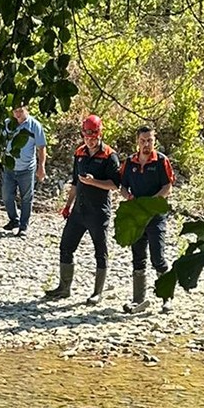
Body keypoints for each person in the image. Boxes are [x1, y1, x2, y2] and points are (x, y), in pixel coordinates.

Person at [44, 115, 121, 304]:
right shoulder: (79, 153)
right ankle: (64, 288)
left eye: (93, 135)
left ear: (100, 133)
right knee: (65, 247)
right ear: (82, 134)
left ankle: (97, 292)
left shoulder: (109, 155)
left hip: (98, 211)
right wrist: (67, 206)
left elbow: (115, 184)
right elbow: (75, 183)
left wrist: (94, 182)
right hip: (79, 211)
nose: (90, 139)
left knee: (100, 251)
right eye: (86, 135)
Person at [119, 126, 176, 313]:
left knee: (158, 258)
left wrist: (153, 202)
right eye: (143, 140)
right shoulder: (130, 162)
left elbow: (168, 186)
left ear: (155, 140)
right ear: (137, 141)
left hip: (156, 216)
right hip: (136, 217)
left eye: (150, 140)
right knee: (137, 257)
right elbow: (122, 187)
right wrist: (128, 197)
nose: (146, 144)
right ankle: (138, 300)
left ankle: (167, 298)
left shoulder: (161, 161)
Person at [0, 104, 47, 235]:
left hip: (27, 168)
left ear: (26, 110)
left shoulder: (34, 125)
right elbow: (0, 142)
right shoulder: (8, 124)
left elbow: (41, 147)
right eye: (15, 111)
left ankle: (24, 226)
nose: (18, 114)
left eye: (20, 111)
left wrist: (41, 167)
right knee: (7, 195)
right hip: (9, 167)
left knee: (26, 197)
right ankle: (14, 219)